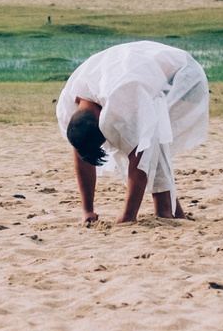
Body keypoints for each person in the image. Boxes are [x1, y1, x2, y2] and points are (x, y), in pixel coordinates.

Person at [57, 41, 209, 225]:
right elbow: (82, 150)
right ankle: (169, 210)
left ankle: (166, 210)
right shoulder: (68, 109)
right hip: (137, 73)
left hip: (183, 75)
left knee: (150, 136)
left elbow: (139, 154)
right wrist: (87, 210)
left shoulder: (120, 99)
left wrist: (128, 215)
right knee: (150, 136)